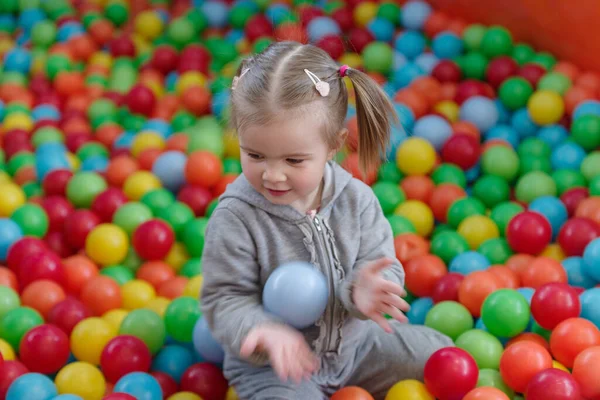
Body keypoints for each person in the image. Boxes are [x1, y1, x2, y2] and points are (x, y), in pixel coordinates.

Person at [200, 41, 453, 400]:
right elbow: (224, 298)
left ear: (333, 146)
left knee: (442, 357)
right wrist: (263, 329)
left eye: (294, 161)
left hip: (359, 349)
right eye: (254, 155)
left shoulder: (357, 201)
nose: (273, 175)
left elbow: (383, 265)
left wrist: (366, 290)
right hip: (279, 368)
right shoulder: (235, 216)